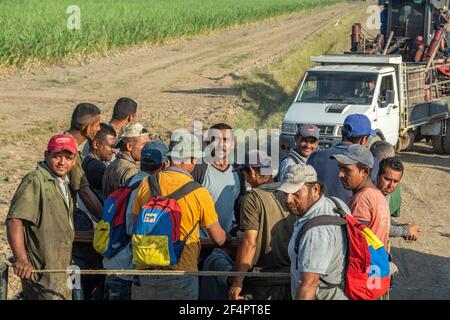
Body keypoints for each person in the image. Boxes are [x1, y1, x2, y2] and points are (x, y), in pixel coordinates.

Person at [131, 132, 227, 300]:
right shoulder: (199, 192)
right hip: (180, 274)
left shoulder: (147, 183)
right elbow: (218, 239)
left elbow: (134, 225)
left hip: (144, 272)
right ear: (191, 159)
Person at [6, 134, 78, 300]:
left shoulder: (63, 184)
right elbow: (14, 220)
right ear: (46, 155)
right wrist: (21, 259)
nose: (62, 162)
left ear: (74, 161)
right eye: (57, 156)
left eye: (68, 158)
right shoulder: (36, 180)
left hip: (60, 271)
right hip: (42, 273)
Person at [103, 140, 170, 300]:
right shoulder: (147, 189)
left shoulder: (130, 182)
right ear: (165, 164)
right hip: (127, 267)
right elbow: (134, 229)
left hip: (114, 260)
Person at [228, 150, 295, 300]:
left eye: (244, 173)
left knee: (217, 259)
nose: (244, 178)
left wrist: (237, 281)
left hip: (261, 281)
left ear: (251, 171)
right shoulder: (290, 193)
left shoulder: (252, 198)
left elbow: (249, 242)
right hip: (290, 278)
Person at [278, 165, 348, 300]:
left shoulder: (315, 233)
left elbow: (308, 287)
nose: (288, 199)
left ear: (315, 189)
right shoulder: (336, 204)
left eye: (296, 192)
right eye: (285, 192)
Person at [307, 114, 378, 203]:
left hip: (319, 214)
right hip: (351, 214)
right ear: (364, 139)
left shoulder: (316, 156)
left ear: (342, 132)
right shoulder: (370, 162)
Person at [331, 144, 391, 247]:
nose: (340, 174)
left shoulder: (362, 199)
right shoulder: (377, 195)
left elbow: (355, 244)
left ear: (364, 171)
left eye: (347, 170)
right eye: (340, 168)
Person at [193, 123, 245, 238]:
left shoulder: (238, 172)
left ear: (233, 144)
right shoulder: (199, 168)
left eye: (226, 140)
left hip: (226, 242)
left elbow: (239, 208)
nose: (221, 145)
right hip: (201, 243)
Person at [102, 122, 149, 198]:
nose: (147, 148)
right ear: (129, 146)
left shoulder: (113, 164)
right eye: (144, 144)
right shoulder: (131, 170)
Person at [377, 157, 420, 241]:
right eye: (387, 179)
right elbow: (379, 227)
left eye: (396, 181)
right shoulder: (368, 194)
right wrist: (404, 230)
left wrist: (403, 226)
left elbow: (383, 218)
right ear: (378, 175)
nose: (391, 186)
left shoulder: (385, 191)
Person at [82, 123, 117, 201]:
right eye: (111, 146)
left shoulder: (85, 160)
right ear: (96, 144)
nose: (114, 150)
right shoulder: (98, 168)